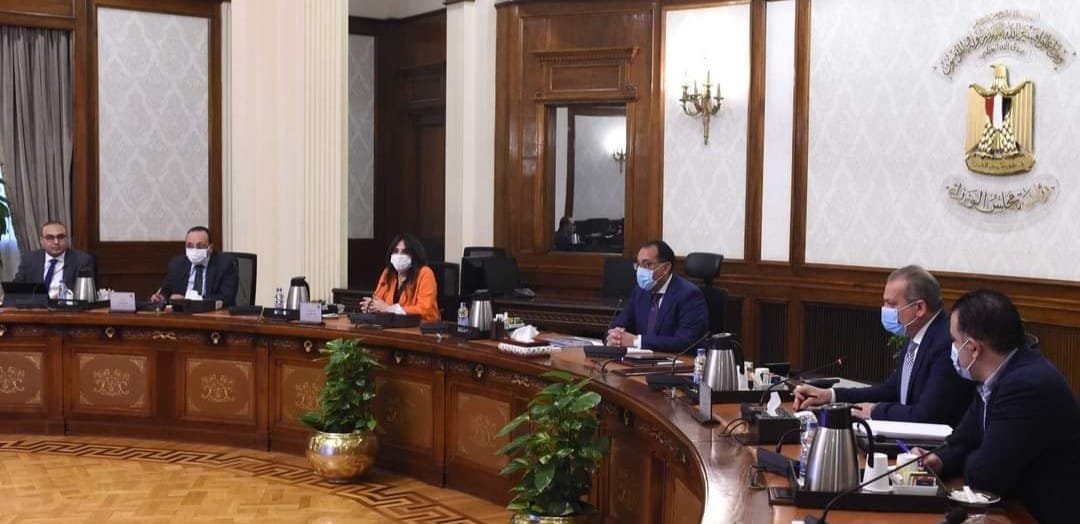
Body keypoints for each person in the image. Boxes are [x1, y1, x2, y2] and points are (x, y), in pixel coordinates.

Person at [916, 289, 1080, 524]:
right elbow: (962, 440)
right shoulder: (996, 376)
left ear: (973, 348)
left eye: (954, 341)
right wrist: (939, 460)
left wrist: (973, 455)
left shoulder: (1026, 385)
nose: (951, 348)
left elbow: (985, 477)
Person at [793, 265, 973, 425]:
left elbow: (925, 415)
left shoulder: (946, 343)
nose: (885, 309)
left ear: (919, 308)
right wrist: (830, 396)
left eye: (891, 304)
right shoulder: (916, 333)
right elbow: (892, 390)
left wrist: (874, 410)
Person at [606, 240, 707, 352]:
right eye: (638, 265)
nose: (640, 270)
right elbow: (618, 325)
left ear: (666, 268)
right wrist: (614, 336)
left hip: (674, 360)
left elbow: (685, 341)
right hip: (640, 359)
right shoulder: (640, 292)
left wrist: (637, 341)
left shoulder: (689, 295)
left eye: (647, 264)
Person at [150, 226, 238, 306]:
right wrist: (161, 296)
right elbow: (167, 289)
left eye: (200, 246)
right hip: (182, 313)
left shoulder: (225, 263)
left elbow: (226, 298)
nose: (194, 250)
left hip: (212, 313)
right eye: (190, 246)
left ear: (210, 248)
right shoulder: (177, 264)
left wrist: (189, 300)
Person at [360, 233, 439, 322]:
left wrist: (389, 309)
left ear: (414, 255)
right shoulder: (388, 273)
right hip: (392, 325)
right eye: (396, 251)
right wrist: (372, 306)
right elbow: (378, 300)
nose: (399, 255)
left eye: (405, 252)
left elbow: (424, 309)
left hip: (421, 326)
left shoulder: (425, 273)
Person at [13, 221, 96, 299]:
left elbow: (85, 293)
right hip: (36, 306)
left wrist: (65, 297)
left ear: (67, 239)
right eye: (50, 237)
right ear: (41, 241)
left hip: (65, 307)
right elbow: (16, 287)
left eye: (60, 237)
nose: (56, 242)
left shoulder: (82, 260)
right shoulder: (30, 259)